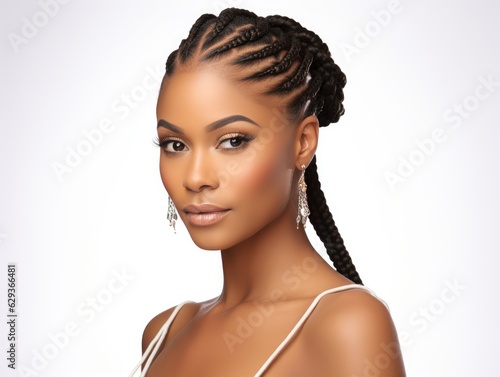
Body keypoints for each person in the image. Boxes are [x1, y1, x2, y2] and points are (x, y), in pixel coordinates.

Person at [129, 7, 406, 377]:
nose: (195, 178)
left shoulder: (346, 324)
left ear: (303, 142)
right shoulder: (164, 332)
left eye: (232, 141)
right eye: (175, 145)